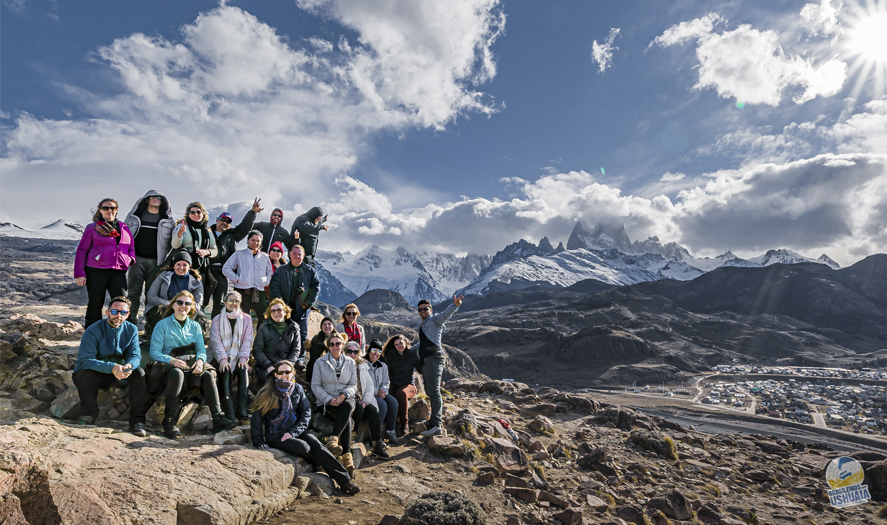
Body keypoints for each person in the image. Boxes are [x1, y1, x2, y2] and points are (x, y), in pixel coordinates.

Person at [250, 360, 360, 495]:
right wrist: (258, 441)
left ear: (293, 373)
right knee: (304, 447)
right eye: (281, 372)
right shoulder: (267, 392)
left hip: (296, 429)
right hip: (276, 434)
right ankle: (320, 463)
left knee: (317, 445)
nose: (284, 375)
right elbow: (256, 416)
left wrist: (293, 432)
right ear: (276, 375)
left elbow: (306, 413)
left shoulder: (298, 389)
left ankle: (345, 482)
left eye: (287, 372)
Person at [148, 290, 236, 438]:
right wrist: (172, 361)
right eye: (180, 302)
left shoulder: (195, 326)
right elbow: (154, 352)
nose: (183, 306)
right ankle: (169, 421)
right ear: (174, 305)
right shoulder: (162, 325)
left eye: (187, 303)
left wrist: (201, 361)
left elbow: (201, 349)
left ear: (192, 307)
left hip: (191, 362)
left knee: (208, 374)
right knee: (176, 372)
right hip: (169, 365)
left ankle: (217, 417)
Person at [72, 296, 147, 436]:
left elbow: (135, 355)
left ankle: (137, 422)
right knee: (84, 374)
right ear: (107, 312)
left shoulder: (131, 330)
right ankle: (89, 414)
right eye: (115, 311)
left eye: (123, 313)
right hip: (97, 372)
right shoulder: (93, 330)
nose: (119, 315)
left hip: (119, 373)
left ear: (128, 314)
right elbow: (85, 360)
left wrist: (129, 365)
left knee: (139, 373)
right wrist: (112, 367)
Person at [74, 198, 136, 327]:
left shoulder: (124, 228)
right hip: (96, 270)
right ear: (100, 210)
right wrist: (79, 273)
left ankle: (120, 332)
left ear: (117, 210)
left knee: (121, 303)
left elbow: (131, 247)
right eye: (106, 208)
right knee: (95, 303)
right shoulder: (92, 228)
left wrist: (130, 258)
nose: (109, 210)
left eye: (112, 208)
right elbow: (82, 250)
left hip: (118, 271)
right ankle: (92, 334)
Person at [411, 295, 463, 437]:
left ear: (430, 309)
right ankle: (432, 421)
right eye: (420, 310)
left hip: (435, 358)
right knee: (429, 391)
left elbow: (446, 315)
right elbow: (422, 343)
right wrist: (407, 350)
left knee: (433, 391)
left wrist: (455, 305)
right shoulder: (420, 325)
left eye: (425, 309)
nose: (422, 311)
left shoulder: (435, 320)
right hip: (425, 360)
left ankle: (437, 425)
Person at [310, 332, 357, 477]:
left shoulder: (350, 362)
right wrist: (329, 399)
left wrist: (343, 396)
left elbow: (353, 385)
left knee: (348, 406)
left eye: (338, 343)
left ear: (342, 345)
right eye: (332, 344)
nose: (335, 346)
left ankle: (333, 439)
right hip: (326, 402)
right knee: (347, 418)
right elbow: (315, 385)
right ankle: (347, 459)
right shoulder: (320, 362)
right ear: (328, 346)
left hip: (344, 400)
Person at [123, 190, 174, 320]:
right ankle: (130, 324)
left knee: (152, 296)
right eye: (152, 197)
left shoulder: (168, 221)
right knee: (133, 294)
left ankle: (150, 330)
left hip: (157, 262)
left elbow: (172, 242)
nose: (155, 199)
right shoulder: (135, 216)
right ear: (146, 199)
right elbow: (124, 236)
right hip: (136, 260)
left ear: (162, 201)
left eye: (159, 197)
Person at [208, 198, 261, 317]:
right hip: (206, 271)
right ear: (217, 220)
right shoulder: (207, 233)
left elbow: (245, 227)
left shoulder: (232, 235)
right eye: (222, 220)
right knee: (201, 302)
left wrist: (252, 212)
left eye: (228, 222)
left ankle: (215, 332)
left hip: (222, 274)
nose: (224, 223)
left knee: (220, 304)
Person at [269, 244, 319, 365]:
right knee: (284, 334)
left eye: (299, 254)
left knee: (302, 335)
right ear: (290, 254)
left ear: (303, 255)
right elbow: (274, 288)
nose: (297, 256)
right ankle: (283, 359)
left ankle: (299, 360)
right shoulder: (281, 270)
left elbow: (316, 288)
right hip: (285, 310)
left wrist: (307, 304)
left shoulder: (310, 271)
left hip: (301, 310)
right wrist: (281, 305)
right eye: (294, 253)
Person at [210, 291, 253, 422]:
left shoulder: (246, 319)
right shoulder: (217, 319)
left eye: (237, 301)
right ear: (225, 302)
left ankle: (242, 410)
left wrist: (243, 358)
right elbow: (215, 341)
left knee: (243, 370)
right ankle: (229, 413)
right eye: (231, 301)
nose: (234, 304)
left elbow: (247, 340)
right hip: (219, 356)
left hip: (238, 356)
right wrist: (223, 359)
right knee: (225, 370)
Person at [344, 341, 389, 459]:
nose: (352, 354)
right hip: (348, 399)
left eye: (355, 352)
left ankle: (376, 444)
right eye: (349, 351)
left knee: (373, 411)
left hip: (362, 399)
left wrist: (365, 401)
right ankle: (352, 436)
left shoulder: (363, 366)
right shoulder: (342, 366)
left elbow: (369, 386)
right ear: (344, 352)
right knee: (357, 408)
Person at [222, 230, 273, 329]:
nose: (255, 243)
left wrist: (265, 281)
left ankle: (259, 339)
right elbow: (226, 268)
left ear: (261, 242)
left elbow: (269, 272)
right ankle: (241, 340)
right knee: (241, 317)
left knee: (264, 316)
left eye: (258, 241)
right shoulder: (239, 254)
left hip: (259, 291)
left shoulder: (265, 257)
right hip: (242, 290)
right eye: (253, 240)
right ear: (248, 240)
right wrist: (237, 279)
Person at [144, 252, 205, 334]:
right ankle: (156, 338)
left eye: (185, 265)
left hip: (186, 308)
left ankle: (193, 341)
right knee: (157, 315)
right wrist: (170, 304)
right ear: (174, 265)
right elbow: (151, 296)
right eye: (178, 264)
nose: (181, 267)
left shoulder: (196, 282)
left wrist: (186, 312)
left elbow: (198, 302)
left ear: (189, 266)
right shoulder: (163, 276)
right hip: (164, 307)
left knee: (201, 318)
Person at [170, 201, 218, 296]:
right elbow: (175, 245)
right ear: (188, 214)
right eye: (192, 212)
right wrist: (180, 233)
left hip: (202, 267)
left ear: (203, 214)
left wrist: (207, 252)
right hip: (184, 267)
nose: (195, 214)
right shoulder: (182, 227)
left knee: (199, 295)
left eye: (198, 212)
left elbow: (215, 250)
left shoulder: (208, 232)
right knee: (183, 294)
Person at [253, 299, 301, 386]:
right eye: (273, 311)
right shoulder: (264, 327)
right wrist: (268, 366)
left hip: (286, 366)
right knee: (269, 383)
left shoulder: (294, 328)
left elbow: (296, 350)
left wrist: (287, 366)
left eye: (279, 310)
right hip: (266, 365)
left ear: (285, 312)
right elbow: (257, 349)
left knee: (288, 385)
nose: (276, 313)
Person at [382, 334, 420, 437]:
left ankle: (404, 423)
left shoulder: (412, 354)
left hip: (408, 385)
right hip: (394, 383)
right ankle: (389, 423)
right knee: (387, 395)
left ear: (405, 343)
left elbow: (421, 369)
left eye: (401, 343)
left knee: (401, 393)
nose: (399, 346)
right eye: (396, 344)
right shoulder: (390, 356)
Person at [366, 339, 399, 444]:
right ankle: (375, 436)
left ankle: (390, 430)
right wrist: (377, 392)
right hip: (368, 394)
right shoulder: (362, 364)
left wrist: (383, 391)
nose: (376, 354)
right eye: (374, 350)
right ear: (369, 351)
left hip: (381, 393)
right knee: (382, 405)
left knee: (393, 402)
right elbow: (362, 384)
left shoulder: (383, 366)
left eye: (379, 352)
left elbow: (386, 382)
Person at [306, 316, 334, 384]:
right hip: (317, 369)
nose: (327, 326)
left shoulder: (338, 338)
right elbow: (313, 358)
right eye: (324, 324)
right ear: (321, 327)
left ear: (333, 326)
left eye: (329, 324)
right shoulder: (316, 339)